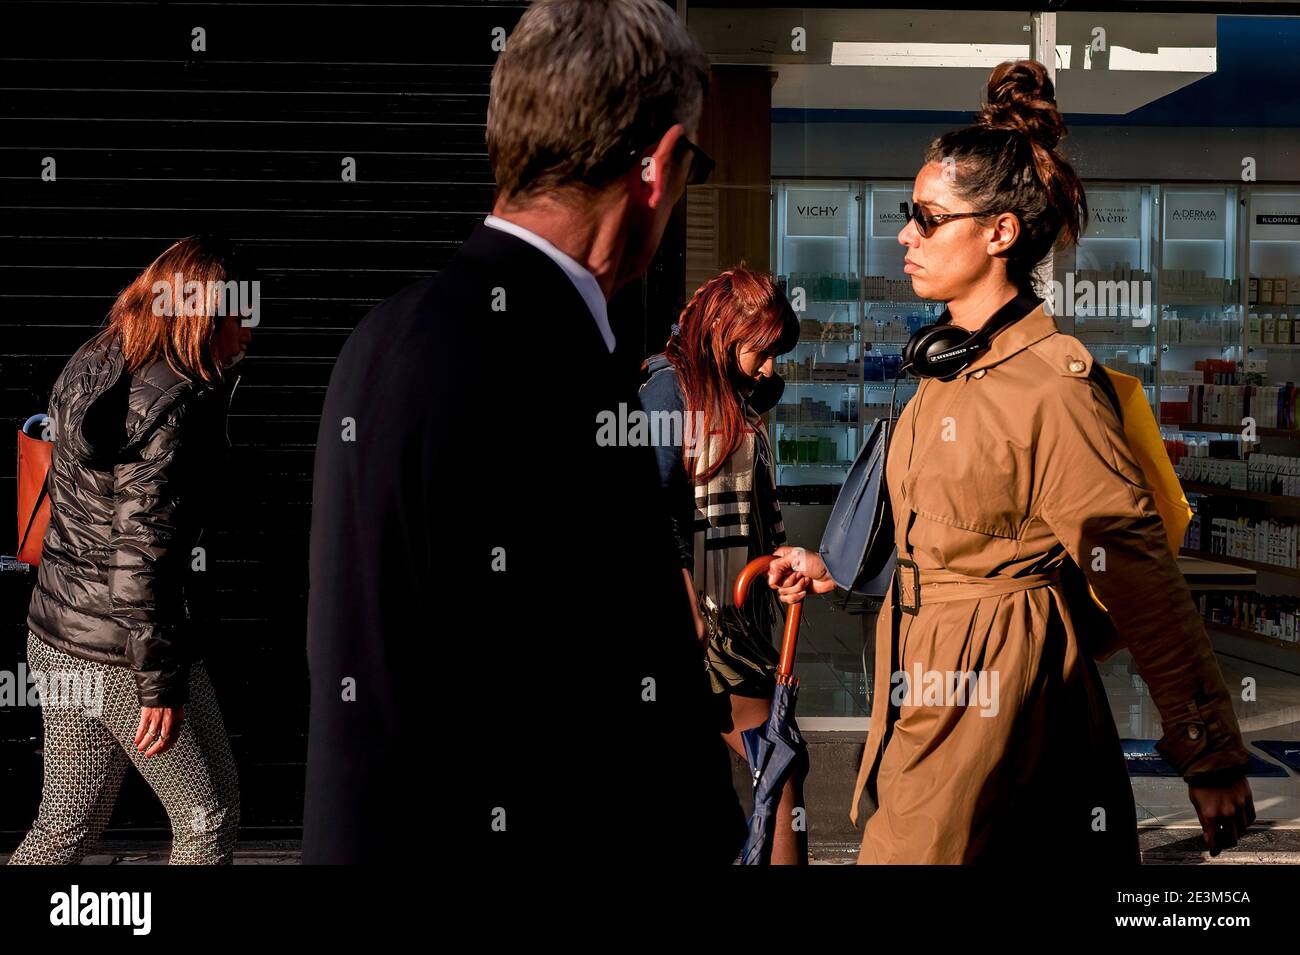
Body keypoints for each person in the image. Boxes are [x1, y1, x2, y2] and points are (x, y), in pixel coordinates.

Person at [769, 60, 1255, 864]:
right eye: (906, 214)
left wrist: (1208, 746)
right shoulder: (947, 368)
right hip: (926, 706)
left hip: (1001, 720)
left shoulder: (1051, 387)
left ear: (999, 232)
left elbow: (1135, 570)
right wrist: (834, 563)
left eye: (927, 217)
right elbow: (960, 530)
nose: (905, 235)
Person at [304, 0, 744, 863]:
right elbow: (630, 722)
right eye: (694, 159)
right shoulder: (558, 363)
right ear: (655, 168)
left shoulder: (381, 336)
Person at [10, 235, 249, 865]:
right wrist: (159, 683)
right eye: (240, 311)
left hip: (58, 633)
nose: (250, 326)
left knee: (67, 824)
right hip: (123, 651)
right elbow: (143, 559)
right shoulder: (176, 403)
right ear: (203, 314)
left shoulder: (103, 354)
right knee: (209, 815)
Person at [638, 267, 805, 864]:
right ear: (722, 333)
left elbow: (755, 509)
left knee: (773, 768)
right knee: (781, 764)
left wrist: (778, 562)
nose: (769, 370)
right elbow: (652, 510)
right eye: (761, 352)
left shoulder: (723, 396)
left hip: (736, 618)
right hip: (704, 626)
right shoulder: (667, 392)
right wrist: (686, 602)